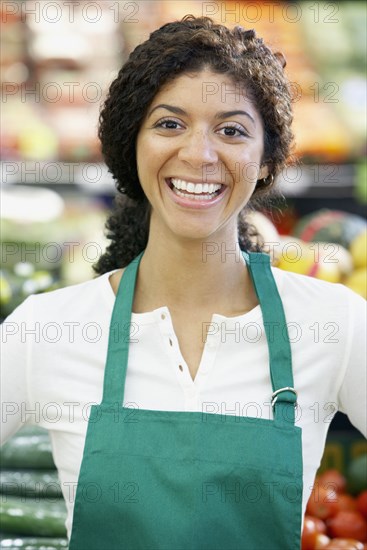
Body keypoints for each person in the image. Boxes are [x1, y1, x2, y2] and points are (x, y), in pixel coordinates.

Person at [1, 15, 366, 550]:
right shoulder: (48, 329)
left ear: (267, 160)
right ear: (133, 143)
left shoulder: (334, 323)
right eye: (170, 124)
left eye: (232, 130)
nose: (199, 154)